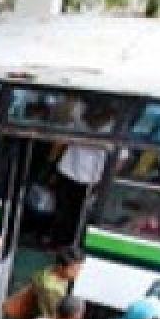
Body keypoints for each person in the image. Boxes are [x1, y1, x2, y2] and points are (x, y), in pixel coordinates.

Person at [48, 105, 116, 246]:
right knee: (62, 211)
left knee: (80, 216)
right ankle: (56, 242)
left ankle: (72, 246)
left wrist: (104, 180)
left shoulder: (115, 128)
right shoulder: (79, 122)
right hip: (67, 172)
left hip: (92, 180)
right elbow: (59, 139)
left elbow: (120, 158)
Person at [28, 246, 85, 319]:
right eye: (74, 269)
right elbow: (56, 318)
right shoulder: (52, 290)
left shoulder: (52, 270)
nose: (78, 272)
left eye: (79, 268)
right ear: (60, 267)